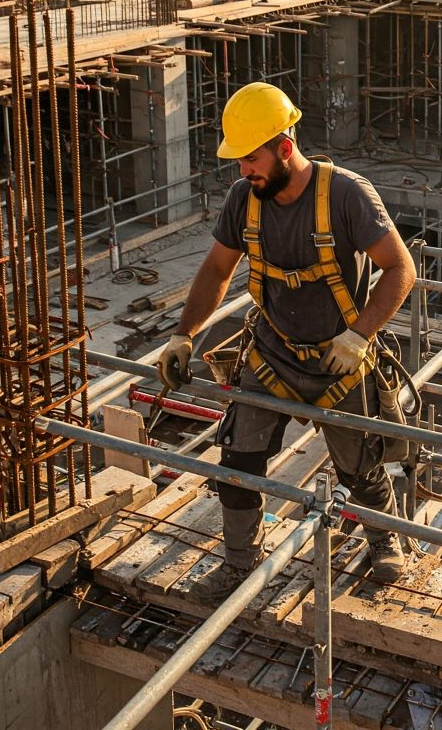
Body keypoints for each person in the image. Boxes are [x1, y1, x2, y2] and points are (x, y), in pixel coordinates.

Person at [157, 82, 416, 601]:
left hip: (339, 358)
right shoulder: (244, 199)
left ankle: (385, 544)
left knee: (360, 465)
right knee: (237, 464)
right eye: (239, 162)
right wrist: (184, 334)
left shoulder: (345, 195)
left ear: (283, 148)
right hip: (272, 353)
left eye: (249, 159)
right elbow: (215, 270)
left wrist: (359, 336)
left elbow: (400, 268)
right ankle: (237, 564)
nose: (242, 171)